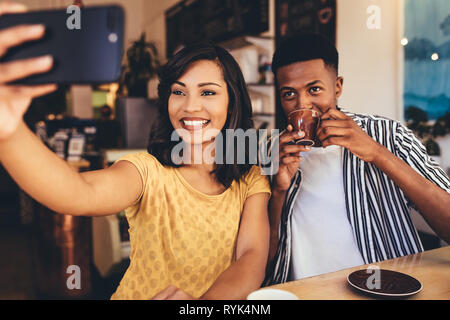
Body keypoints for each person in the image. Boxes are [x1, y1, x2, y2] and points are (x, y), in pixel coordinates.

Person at [0, 3, 271, 300]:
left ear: (233, 102)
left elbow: (251, 257)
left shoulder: (250, 180)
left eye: (208, 92)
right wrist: (9, 133)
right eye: (178, 91)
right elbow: (78, 193)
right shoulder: (147, 171)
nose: (190, 106)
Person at [265, 33, 450, 285]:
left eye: (314, 89)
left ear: (338, 86)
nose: (303, 103)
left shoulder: (387, 135)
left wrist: (377, 153)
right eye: (289, 94)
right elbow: (263, 256)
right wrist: (278, 191)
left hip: (385, 291)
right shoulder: (271, 152)